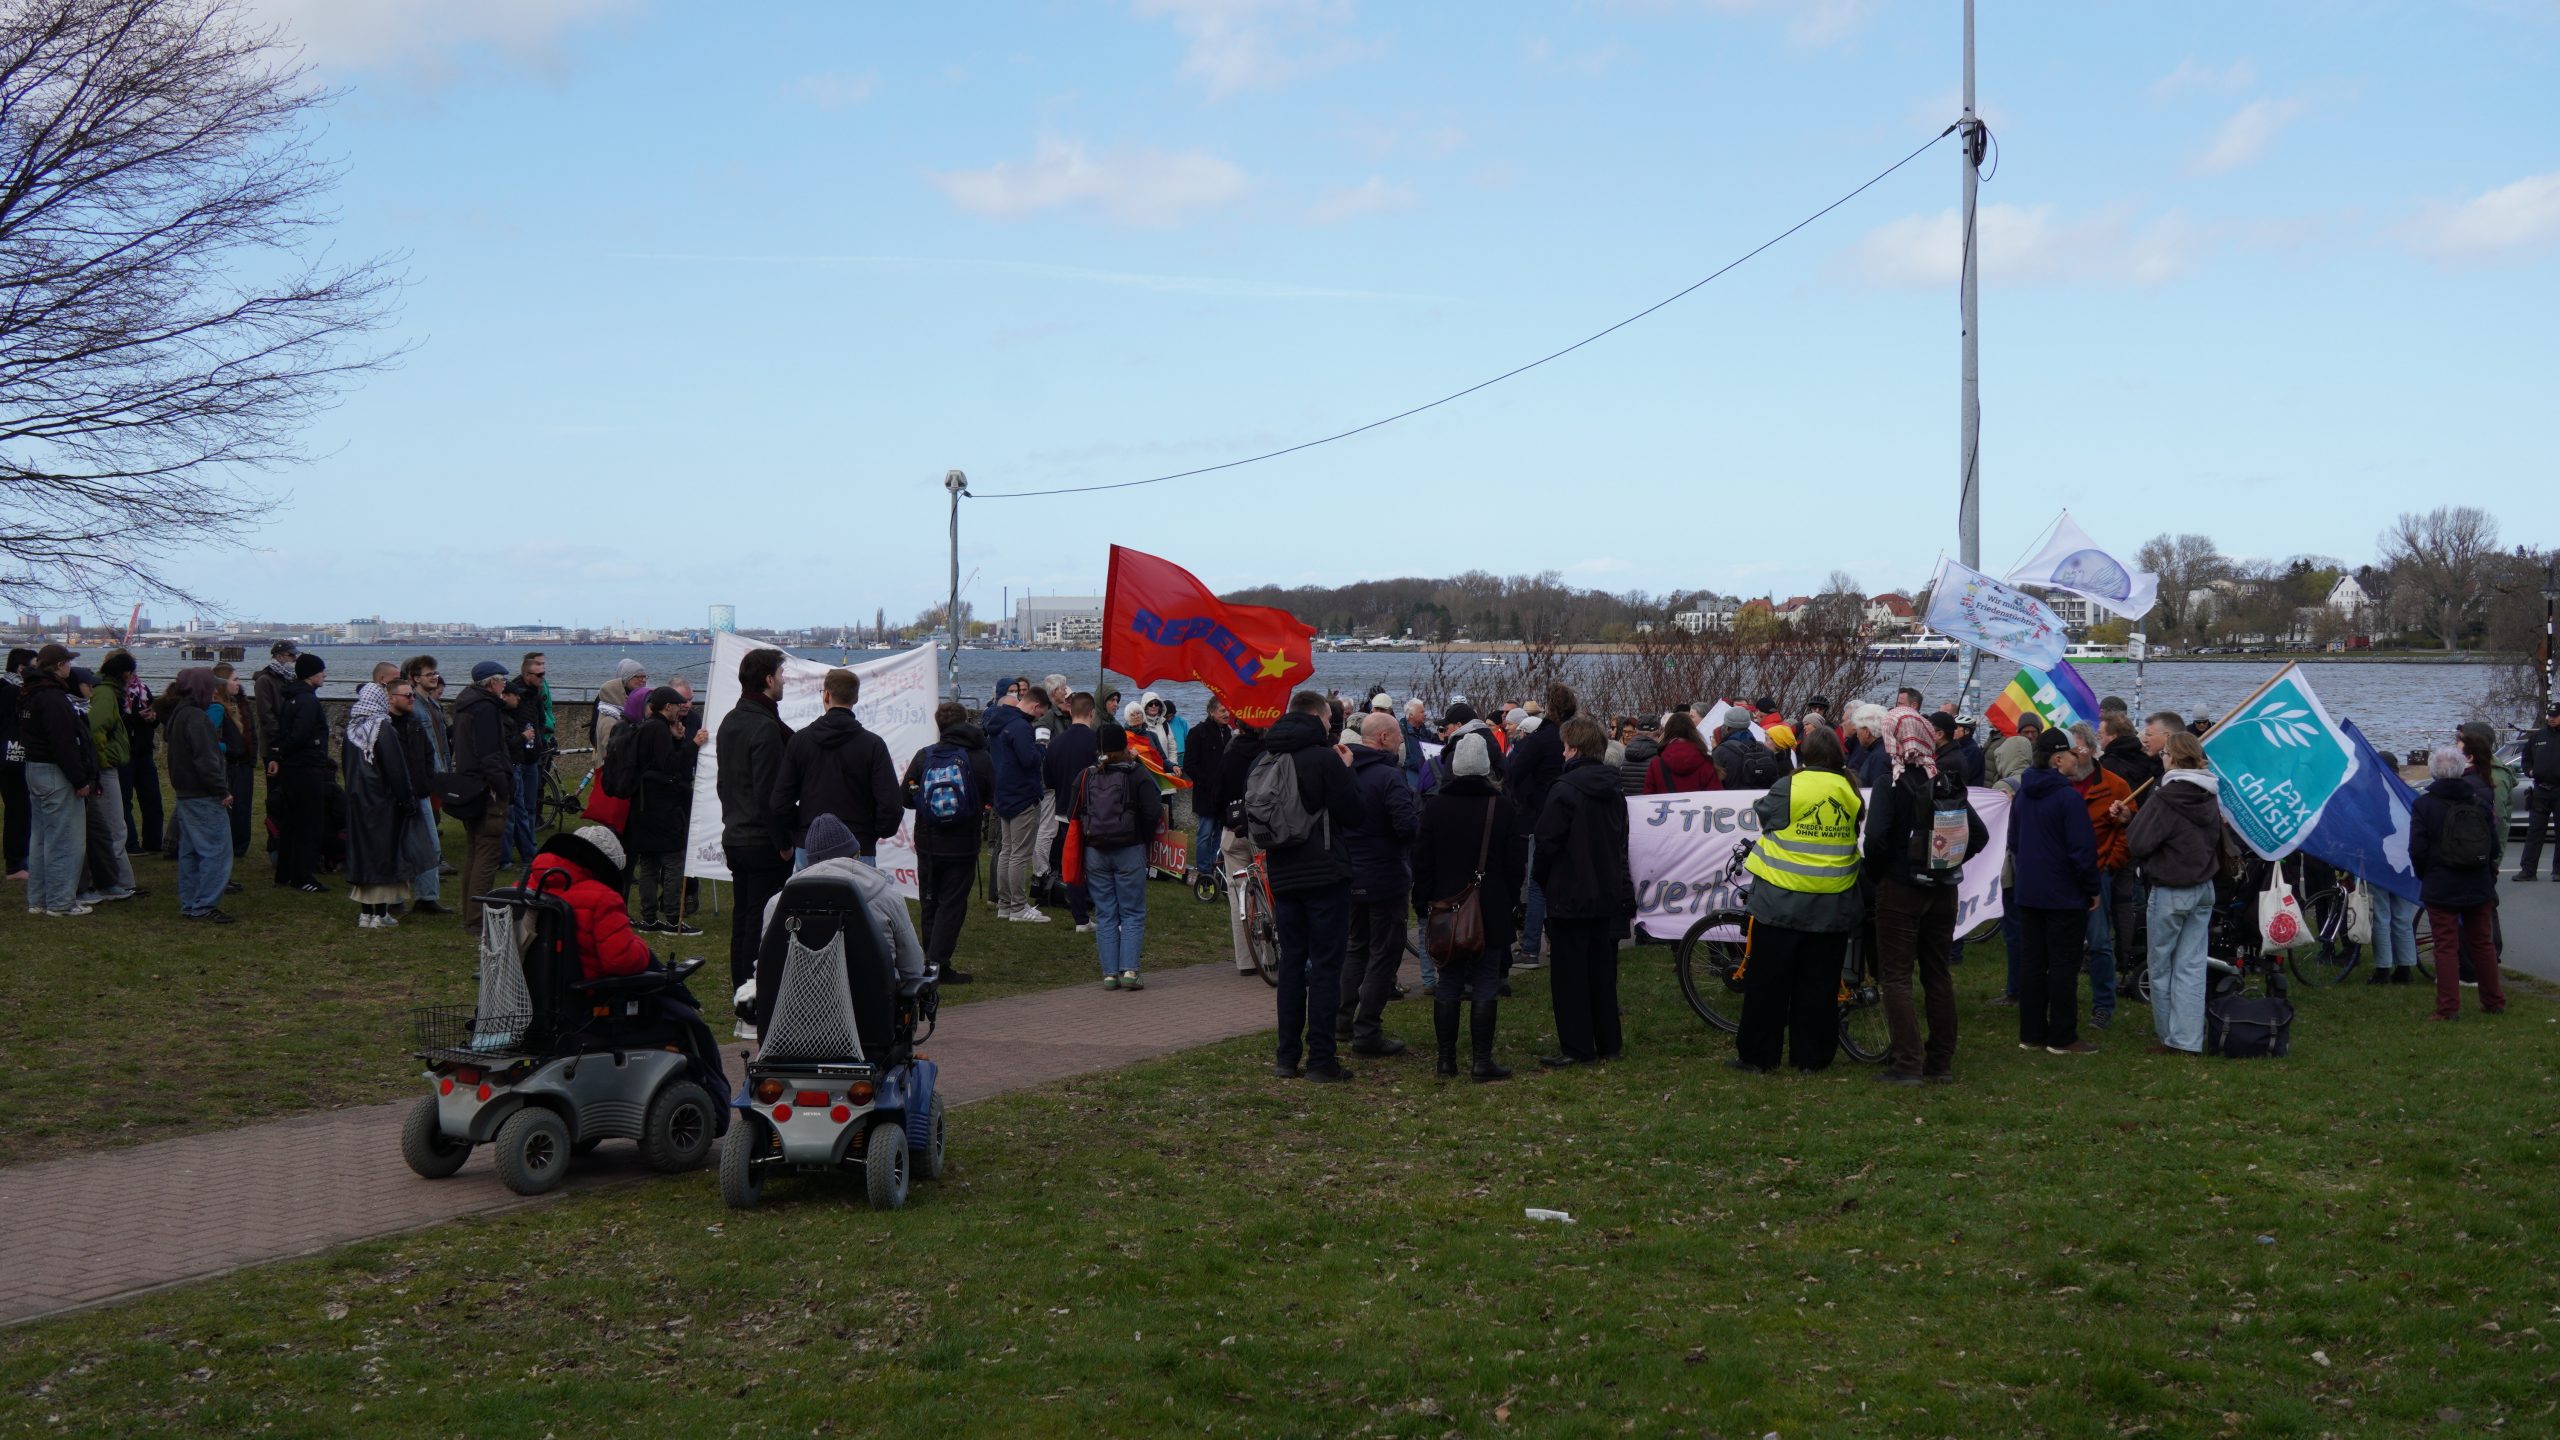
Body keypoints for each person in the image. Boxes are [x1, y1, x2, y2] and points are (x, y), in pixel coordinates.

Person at [530, 824, 729, 1109]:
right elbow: (622, 960)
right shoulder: (600, 897)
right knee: (688, 1023)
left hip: (533, 1002)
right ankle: (715, 1106)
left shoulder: (527, 887)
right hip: (588, 1008)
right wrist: (639, 947)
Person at [1863, 707, 1987, 1084]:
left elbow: (1877, 840)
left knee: (1896, 977)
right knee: (1938, 974)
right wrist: (1946, 861)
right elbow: (1978, 835)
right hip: (1943, 891)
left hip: (1900, 890)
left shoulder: (1892, 783)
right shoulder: (1944, 779)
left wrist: (1878, 873)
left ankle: (1907, 1063)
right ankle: (1940, 1062)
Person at [1731, 725, 1865, 1073]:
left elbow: (1765, 814)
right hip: (1832, 904)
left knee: (1768, 984)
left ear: (1804, 753)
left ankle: (1760, 1056)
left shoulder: (1790, 785)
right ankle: (1813, 1057)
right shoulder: (1849, 790)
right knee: (1818, 986)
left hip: (1781, 902)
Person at [1260, 689, 1364, 1082]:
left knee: (1290, 963)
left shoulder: (1268, 755)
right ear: (1320, 718)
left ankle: (1287, 1056)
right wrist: (1347, 770)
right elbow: (1354, 813)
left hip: (1283, 872)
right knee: (1324, 966)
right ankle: (1321, 1059)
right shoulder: (1324, 758)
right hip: (1324, 873)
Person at [1410, 726, 1525, 1080]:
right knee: (1486, 980)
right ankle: (1481, 1061)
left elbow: (1422, 861)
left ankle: (1446, 1062)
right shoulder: (1502, 808)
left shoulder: (1435, 808)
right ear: (1488, 767)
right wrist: (1510, 901)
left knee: (1448, 980)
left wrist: (1423, 903)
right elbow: (1514, 864)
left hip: (1445, 905)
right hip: (1490, 906)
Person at [1532, 715, 1637, 1068]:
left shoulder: (1564, 790)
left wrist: (1543, 880)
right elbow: (1622, 841)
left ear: (1574, 748)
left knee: (1569, 975)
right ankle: (1608, 1040)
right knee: (1601, 971)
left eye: (1564, 746)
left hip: (1570, 892)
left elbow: (1546, 843)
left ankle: (1577, 1046)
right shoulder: (1614, 791)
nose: (1561, 753)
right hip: (1604, 891)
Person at [2124, 731, 2222, 1054]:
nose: (2161, 757)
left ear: (2173, 757)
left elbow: (2138, 841)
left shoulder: (2167, 796)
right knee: (2192, 966)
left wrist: (2132, 822)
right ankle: (2190, 1038)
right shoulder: (2209, 793)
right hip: (2203, 888)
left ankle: (2170, 1038)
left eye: (2165, 753)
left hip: (2171, 889)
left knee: (2162, 966)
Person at [715, 646, 794, 1033]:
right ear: (767, 680)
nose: (785, 681)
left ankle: (742, 994)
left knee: (743, 918)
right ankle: (751, 998)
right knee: (761, 923)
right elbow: (770, 795)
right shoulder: (764, 727)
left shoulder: (732, 720)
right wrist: (782, 840)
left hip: (736, 833)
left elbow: (724, 784)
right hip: (760, 838)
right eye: (781, 674)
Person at [2011, 727, 2102, 1054]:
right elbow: (2082, 850)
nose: (2078, 760)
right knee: (2064, 964)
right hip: (2063, 894)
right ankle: (2062, 1036)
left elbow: (2013, 842)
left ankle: (2032, 1033)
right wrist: (2092, 888)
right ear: (2058, 758)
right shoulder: (2068, 797)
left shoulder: (2022, 794)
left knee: (2033, 962)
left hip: (2029, 890)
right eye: (2073, 755)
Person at [1336, 712, 1422, 1055]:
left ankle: (1341, 1020)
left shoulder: (1345, 773)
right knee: (1384, 952)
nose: (1402, 742)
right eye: (1398, 736)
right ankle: (1367, 1029)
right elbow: (1405, 825)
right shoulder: (1389, 776)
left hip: (1351, 872)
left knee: (1356, 946)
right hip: (1385, 874)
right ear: (1384, 738)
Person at [767, 667, 901, 869]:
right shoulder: (872, 745)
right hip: (858, 846)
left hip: (810, 846)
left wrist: (803, 828)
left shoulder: (800, 741)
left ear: (827, 695)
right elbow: (890, 805)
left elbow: (779, 802)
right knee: (856, 900)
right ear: (855, 698)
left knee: (807, 901)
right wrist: (870, 833)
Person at [2411, 744, 2506, 1019]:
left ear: (2433, 772)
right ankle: (2494, 1001)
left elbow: (2417, 848)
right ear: (2462, 768)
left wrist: (2425, 874)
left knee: (2446, 946)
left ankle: (2448, 1008)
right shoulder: (2480, 802)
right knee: (2482, 944)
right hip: (2477, 881)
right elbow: (2494, 846)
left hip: (2441, 883)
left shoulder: (2424, 805)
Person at [1068, 721, 1164, 990]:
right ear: (1125, 744)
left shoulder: (1087, 775)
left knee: (1106, 912)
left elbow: (1072, 811)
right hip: (1129, 848)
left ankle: (1110, 974)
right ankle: (1130, 971)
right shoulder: (1136, 773)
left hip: (1095, 849)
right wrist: (1142, 837)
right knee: (1132, 912)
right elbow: (1152, 810)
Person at [905, 699, 995, 982]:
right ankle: (938, 964)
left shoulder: (924, 755)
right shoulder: (980, 757)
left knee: (930, 900)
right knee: (952, 903)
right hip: (962, 844)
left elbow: (905, 797)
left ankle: (930, 961)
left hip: (928, 841)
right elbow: (993, 795)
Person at [1503, 683, 1576, 973]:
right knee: (1567, 880)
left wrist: (1525, 799)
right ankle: (1560, 943)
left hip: (1542, 817)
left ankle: (1531, 947)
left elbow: (1513, 773)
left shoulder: (1541, 739)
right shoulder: (1574, 734)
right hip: (1572, 815)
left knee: (1536, 884)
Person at [340, 679, 420, 929]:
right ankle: (380, 913)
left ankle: (365, 913)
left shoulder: (352, 729)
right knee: (384, 855)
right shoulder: (383, 728)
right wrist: (407, 800)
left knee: (363, 854)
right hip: (382, 801)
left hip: (357, 799)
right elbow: (396, 769)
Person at [2069, 723, 2133, 1030]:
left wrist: (2110, 861)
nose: (2072, 756)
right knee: (2062, 941)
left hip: (2098, 871)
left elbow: (2128, 827)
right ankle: (2063, 999)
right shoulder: (2061, 782)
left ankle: (2104, 1005)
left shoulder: (2116, 785)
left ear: (2093, 750)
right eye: (2068, 750)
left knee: (2099, 943)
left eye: (2078, 749)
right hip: (2063, 874)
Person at [20, 646, 94, 915]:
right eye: (68, 664)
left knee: (40, 838)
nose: (70, 669)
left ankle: (38, 899)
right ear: (60, 665)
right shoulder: (53, 698)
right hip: (55, 771)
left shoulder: (29, 693)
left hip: (34, 768)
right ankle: (61, 902)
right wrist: (79, 779)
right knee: (65, 838)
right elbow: (63, 743)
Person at [629, 687, 704, 935]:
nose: (681, 710)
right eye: (677, 705)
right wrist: (692, 744)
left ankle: (649, 918)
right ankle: (673, 919)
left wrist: (678, 740)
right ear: (667, 706)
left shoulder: (647, 726)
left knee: (649, 863)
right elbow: (670, 766)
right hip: (662, 805)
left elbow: (654, 760)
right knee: (673, 860)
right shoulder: (658, 729)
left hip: (643, 804)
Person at [163, 668, 235, 923]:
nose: (215, 691)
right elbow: (205, 759)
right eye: (211, 686)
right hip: (203, 793)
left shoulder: (179, 714)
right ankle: (204, 905)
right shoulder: (197, 718)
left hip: (186, 792)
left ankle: (191, 903)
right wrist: (221, 790)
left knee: (191, 851)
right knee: (217, 851)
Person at [448, 661, 517, 926]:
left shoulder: (466, 706)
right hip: (487, 789)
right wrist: (503, 786)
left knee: (474, 851)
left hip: (471, 785)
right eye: (502, 681)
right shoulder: (486, 710)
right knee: (487, 854)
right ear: (492, 683)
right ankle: (477, 918)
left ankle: (470, 912)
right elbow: (490, 755)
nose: (505, 686)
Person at [264, 652, 331, 894]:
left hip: (292, 768)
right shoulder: (308, 701)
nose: (325, 675)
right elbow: (300, 735)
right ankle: (303, 875)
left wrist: (276, 754)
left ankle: (286, 871)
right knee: (309, 823)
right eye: (322, 671)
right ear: (312, 674)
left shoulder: (291, 698)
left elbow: (283, 732)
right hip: (306, 767)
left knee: (291, 821)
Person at [75, 665, 140, 904]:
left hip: (100, 768)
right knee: (113, 827)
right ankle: (116, 881)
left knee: (109, 826)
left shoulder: (98, 697)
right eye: (87, 685)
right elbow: (95, 729)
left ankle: (114, 880)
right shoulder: (105, 695)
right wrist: (104, 759)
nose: (91, 689)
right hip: (103, 769)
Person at [985, 684, 1050, 922]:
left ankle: (1005, 904)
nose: (1039, 717)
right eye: (1040, 713)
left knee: (1007, 851)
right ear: (1035, 706)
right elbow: (1029, 760)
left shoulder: (998, 722)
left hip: (1003, 792)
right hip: (1022, 794)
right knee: (1019, 854)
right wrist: (1042, 747)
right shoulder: (1021, 727)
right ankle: (1018, 907)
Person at [398, 656, 453, 915]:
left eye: (435, 672)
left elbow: (440, 743)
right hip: (423, 780)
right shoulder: (414, 708)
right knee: (424, 840)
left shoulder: (433, 705)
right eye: (429, 673)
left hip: (436, 776)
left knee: (429, 840)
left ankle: (426, 896)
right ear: (414, 678)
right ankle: (418, 896)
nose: (434, 677)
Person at [1043, 692, 1100, 934]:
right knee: (1098, 865)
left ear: (1070, 711)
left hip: (1065, 810)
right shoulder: (1097, 741)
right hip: (1094, 812)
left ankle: (1080, 918)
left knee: (1073, 866)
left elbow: (1048, 779)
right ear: (1092, 713)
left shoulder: (1055, 742)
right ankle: (1101, 910)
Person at [1214, 713, 1266, 973]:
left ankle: (1245, 960)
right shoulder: (1269, 754)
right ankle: (1268, 955)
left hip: (1232, 829)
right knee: (1268, 890)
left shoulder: (1229, 754)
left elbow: (1217, 795)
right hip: (1262, 829)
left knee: (1238, 895)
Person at [99, 651, 161, 855]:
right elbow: (111, 724)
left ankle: (154, 842)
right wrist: (136, 718)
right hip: (124, 753)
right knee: (123, 801)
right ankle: (130, 844)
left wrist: (153, 718)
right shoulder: (108, 693)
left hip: (143, 750)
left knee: (152, 798)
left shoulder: (141, 689)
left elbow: (152, 714)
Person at [500, 652, 553, 866]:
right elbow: (508, 728)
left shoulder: (536, 694)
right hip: (518, 758)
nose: (542, 677)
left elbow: (540, 720)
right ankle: (519, 853)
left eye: (544, 672)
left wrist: (540, 737)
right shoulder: (513, 695)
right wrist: (524, 738)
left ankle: (529, 848)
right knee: (516, 810)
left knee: (530, 807)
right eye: (539, 673)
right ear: (526, 674)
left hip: (532, 757)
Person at [1183, 696, 1233, 884]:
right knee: (1205, 833)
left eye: (1228, 710)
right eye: (1222, 711)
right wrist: (1207, 783)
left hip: (1223, 794)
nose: (1227, 714)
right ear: (1212, 712)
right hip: (1205, 793)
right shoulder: (1198, 733)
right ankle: (1204, 870)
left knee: (1220, 833)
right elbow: (1189, 764)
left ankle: (1216, 867)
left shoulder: (1228, 732)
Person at [2517, 703, 2560, 881]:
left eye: (2555, 715)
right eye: (2550, 715)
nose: (2552, 718)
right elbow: (2526, 758)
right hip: (2541, 790)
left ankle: (2558, 871)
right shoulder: (2538, 736)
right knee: (2535, 831)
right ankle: (2528, 870)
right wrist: (2529, 771)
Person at [1, 647, 31, 880]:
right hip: (13, 756)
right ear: (22, 668)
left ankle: (18, 861)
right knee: (18, 809)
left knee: (19, 809)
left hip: (11, 755)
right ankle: (16, 864)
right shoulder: (14, 692)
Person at [1641, 711, 1719, 794]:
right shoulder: (1706, 763)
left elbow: (1648, 798)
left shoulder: (1656, 765)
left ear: (1667, 732)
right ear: (1693, 732)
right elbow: (1716, 798)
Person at [594, 658, 647, 754]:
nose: (643, 680)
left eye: (645, 677)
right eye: (638, 677)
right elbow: (595, 728)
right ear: (626, 677)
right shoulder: (607, 699)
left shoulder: (641, 698)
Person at [1843, 702, 1892, 790]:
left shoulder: (1878, 758)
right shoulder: (1886, 749)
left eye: (1858, 729)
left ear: (1866, 731)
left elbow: (1878, 791)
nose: (1857, 734)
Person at [1984, 712, 2040, 787]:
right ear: (2019, 733)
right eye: (2026, 732)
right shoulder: (2008, 747)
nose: (2030, 736)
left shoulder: (2043, 754)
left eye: (2033, 732)